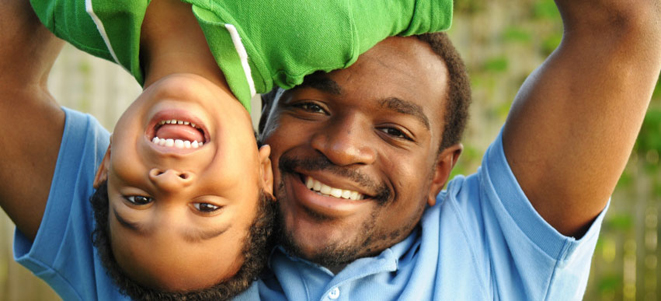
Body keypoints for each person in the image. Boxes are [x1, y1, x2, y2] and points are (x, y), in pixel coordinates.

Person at [2, 0, 454, 300]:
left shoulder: (76, 12)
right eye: (206, 206)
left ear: (104, 169)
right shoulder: (316, 28)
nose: (168, 181)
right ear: (264, 174)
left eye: (138, 200)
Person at [244, 0, 661, 299]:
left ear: (438, 173)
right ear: (263, 123)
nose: (341, 148)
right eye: (312, 107)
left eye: (394, 131)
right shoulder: (188, 221)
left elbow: (621, 23)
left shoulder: (492, 250)